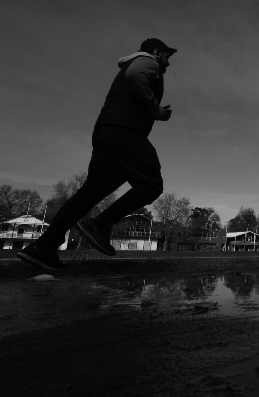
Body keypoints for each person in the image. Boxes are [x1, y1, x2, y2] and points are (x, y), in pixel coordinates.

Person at [18, 38, 176, 270]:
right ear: (156, 52)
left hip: (106, 131)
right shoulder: (147, 62)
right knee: (151, 185)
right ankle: (100, 224)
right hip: (126, 132)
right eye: (167, 56)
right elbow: (136, 77)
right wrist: (157, 110)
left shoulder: (135, 64)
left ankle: (43, 247)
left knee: (89, 193)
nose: (168, 63)